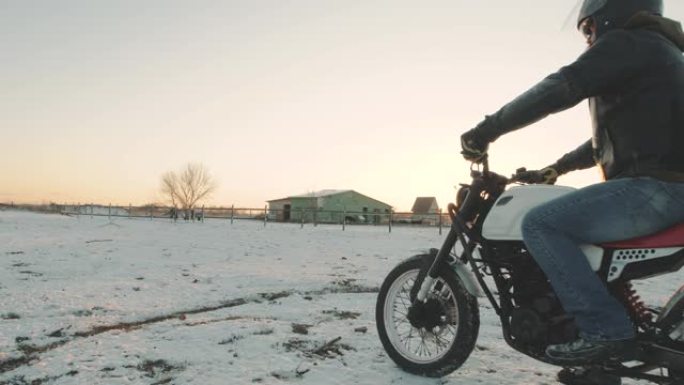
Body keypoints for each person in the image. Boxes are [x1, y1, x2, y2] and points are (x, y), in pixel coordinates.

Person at [460, 0, 684, 375]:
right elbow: (610, 139)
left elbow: (561, 86)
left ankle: (606, 331)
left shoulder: (629, 43)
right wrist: (557, 168)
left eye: (589, 29)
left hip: (654, 189)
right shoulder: (661, 52)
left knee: (541, 224)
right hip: (665, 187)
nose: (589, 38)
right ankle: (596, 369)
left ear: (611, 12)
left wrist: (486, 130)